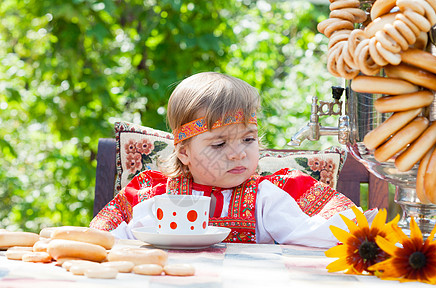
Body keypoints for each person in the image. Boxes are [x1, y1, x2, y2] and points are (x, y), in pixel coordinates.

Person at [90, 72, 376, 248]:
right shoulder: (152, 195)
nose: (238, 153)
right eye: (218, 143)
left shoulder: (270, 195)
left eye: (248, 139)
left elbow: (334, 228)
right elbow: (101, 239)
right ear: (184, 152)